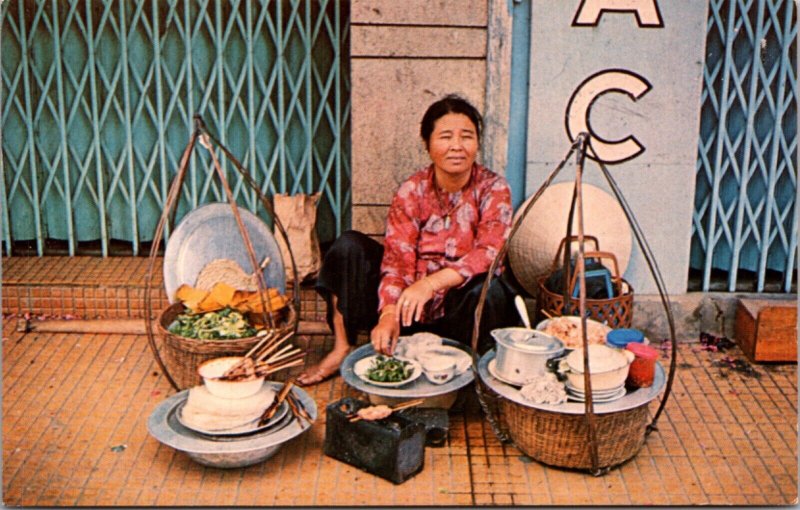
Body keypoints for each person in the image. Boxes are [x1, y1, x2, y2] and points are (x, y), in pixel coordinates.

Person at [296, 94, 521, 386]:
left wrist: (429, 284)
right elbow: (397, 257)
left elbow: (489, 253)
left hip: (459, 311)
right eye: (445, 137)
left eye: (466, 136)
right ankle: (342, 347)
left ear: (477, 144)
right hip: (409, 310)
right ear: (427, 144)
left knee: (490, 289)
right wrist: (389, 311)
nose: (456, 146)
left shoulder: (494, 188)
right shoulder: (412, 190)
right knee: (348, 246)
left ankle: (473, 368)